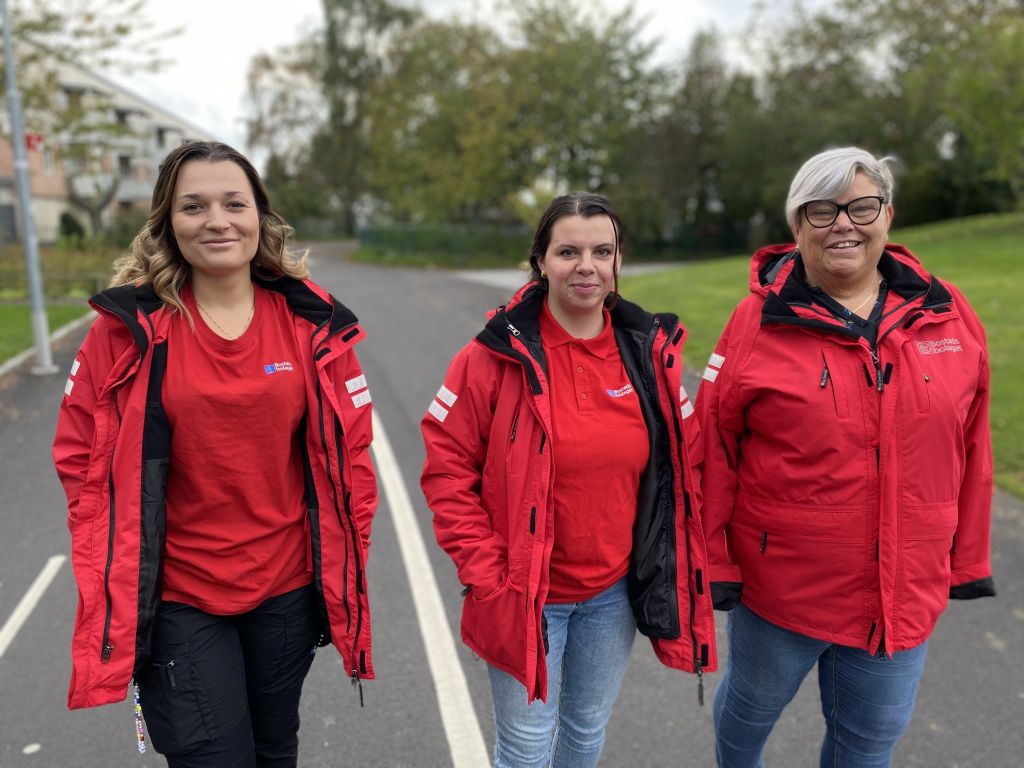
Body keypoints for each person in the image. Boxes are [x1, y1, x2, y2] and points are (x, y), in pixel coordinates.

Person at [52, 141, 377, 767]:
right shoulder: (125, 330)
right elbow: (77, 453)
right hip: (180, 594)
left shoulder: (312, 324)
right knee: (212, 758)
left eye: (235, 203)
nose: (217, 221)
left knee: (275, 751)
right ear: (168, 223)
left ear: (261, 215)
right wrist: (115, 538)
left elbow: (351, 451)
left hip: (285, 586)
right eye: (194, 206)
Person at [697, 147, 995, 768]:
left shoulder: (948, 315)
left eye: (862, 206)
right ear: (797, 225)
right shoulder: (756, 323)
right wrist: (715, 562)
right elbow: (713, 450)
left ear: (888, 216)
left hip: (901, 592)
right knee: (748, 716)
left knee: (868, 744)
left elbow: (972, 445)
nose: (844, 224)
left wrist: (966, 560)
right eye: (822, 210)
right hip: (783, 590)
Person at [420, 192, 716, 768]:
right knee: (528, 748)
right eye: (569, 251)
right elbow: (446, 470)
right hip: (523, 593)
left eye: (602, 251)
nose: (587, 266)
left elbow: (688, 462)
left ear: (617, 261)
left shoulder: (649, 354)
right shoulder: (490, 358)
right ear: (540, 262)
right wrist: (488, 576)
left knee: (584, 735)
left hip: (611, 595)